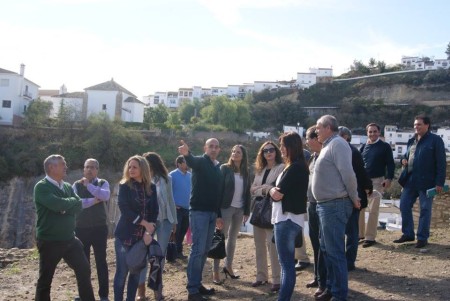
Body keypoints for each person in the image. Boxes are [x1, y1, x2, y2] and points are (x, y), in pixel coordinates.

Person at [34, 154, 95, 301]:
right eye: (63, 164)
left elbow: (78, 205)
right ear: (51, 167)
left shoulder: (67, 186)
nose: (66, 167)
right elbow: (58, 205)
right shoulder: (41, 187)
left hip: (69, 239)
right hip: (50, 241)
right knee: (45, 280)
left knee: (84, 270)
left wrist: (64, 207)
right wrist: (66, 205)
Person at [312, 115, 360, 301]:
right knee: (327, 249)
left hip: (335, 205)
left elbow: (348, 173)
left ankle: (339, 294)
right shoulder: (328, 145)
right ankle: (332, 288)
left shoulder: (338, 144)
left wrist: (354, 196)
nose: (316, 131)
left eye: (318, 127)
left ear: (328, 127)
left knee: (335, 251)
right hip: (326, 205)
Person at [178, 138, 224, 301]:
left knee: (204, 250)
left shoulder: (218, 168)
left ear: (219, 149)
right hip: (199, 212)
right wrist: (187, 153)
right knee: (197, 250)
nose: (213, 149)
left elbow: (218, 193)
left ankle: (197, 284)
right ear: (205, 148)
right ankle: (192, 290)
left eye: (216, 147)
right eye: (210, 146)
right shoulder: (200, 162)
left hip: (212, 214)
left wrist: (218, 214)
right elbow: (191, 161)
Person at [393, 115, 446, 248]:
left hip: (427, 182)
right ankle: (408, 234)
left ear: (427, 125)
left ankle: (422, 238)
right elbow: (406, 156)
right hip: (410, 180)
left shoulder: (435, 140)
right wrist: (402, 160)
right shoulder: (412, 140)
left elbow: (441, 163)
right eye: (415, 125)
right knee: (404, 205)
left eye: (419, 124)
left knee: (425, 209)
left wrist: (439, 182)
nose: (416, 127)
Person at [269, 132, 309, 301]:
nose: (281, 149)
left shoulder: (295, 167)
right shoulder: (295, 166)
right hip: (289, 219)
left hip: (286, 220)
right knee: (287, 265)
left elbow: (277, 194)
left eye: (283, 146)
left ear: (291, 147)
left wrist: (270, 190)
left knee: (286, 266)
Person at [113, 155, 158, 301]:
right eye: (129, 166)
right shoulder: (124, 186)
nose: (131, 169)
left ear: (142, 169)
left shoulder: (152, 187)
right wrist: (145, 224)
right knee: (122, 273)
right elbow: (125, 209)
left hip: (141, 239)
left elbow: (154, 212)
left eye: (134, 167)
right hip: (124, 236)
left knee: (136, 273)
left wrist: (149, 232)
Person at [138, 152, 178, 301]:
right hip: (148, 222)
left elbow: (171, 200)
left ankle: (157, 290)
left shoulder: (167, 179)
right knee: (143, 255)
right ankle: (141, 292)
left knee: (159, 257)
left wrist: (174, 222)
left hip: (165, 220)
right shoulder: (142, 180)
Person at [73, 158, 111, 301]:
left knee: (101, 262)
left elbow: (105, 196)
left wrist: (89, 186)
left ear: (97, 170)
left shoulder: (103, 183)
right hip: (81, 228)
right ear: (83, 169)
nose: (89, 169)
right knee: (83, 263)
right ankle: (84, 294)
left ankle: (104, 295)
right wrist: (94, 200)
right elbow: (77, 204)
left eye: (93, 167)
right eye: (87, 167)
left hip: (99, 228)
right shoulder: (76, 185)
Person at [213, 145, 251, 284]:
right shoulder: (224, 168)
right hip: (225, 208)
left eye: (238, 152)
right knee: (220, 239)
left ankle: (228, 266)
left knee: (233, 240)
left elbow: (247, 193)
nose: (235, 153)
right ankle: (215, 272)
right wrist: (217, 213)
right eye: (233, 151)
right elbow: (217, 190)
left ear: (243, 155)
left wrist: (247, 211)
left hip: (239, 209)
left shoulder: (246, 171)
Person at [250, 141, 284, 292]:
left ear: (276, 151)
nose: (268, 153)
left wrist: (263, 189)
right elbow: (252, 190)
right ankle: (261, 276)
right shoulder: (260, 170)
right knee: (259, 246)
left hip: (272, 210)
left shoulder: (281, 168)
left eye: (271, 150)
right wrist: (265, 189)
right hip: (258, 209)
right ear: (262, 154)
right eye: (265, 151)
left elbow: (276, 188)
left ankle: (277, 279)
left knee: (273, 246)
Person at [338, 126, 373, 271]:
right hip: (344, 196)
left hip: (352, 197)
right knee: (349, 230)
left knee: (351, 231)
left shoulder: (352, 152)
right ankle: (346, 261)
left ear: (345, 137)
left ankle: (349, 261)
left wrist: (367, 188)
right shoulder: (344, 151)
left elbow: (360, 173)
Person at [359, 123, 395, 248]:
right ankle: (360, 235)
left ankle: (370, 237)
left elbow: (390, 164)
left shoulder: (385, 147)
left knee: (373, 210)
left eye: (375, 131)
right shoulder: (363, 147)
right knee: (360, 208)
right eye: (370, 132)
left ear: (379, 133)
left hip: (377, 181)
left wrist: (389, 178)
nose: (372, 134)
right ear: (367, 133)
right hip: (363, 181)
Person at [304, 126, 327, 298]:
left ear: (316, 139)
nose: (306, 142)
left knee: (323, 245)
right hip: (312, 204)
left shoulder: (326, 156)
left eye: (308, 138)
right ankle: (318, 277)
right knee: (315, 243)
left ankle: (324, 282)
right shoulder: (313, 157)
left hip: (324, 205)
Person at [169, 155, 192, 259]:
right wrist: (173, 204)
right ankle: (171, 253)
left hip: (188, 208)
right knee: (175, 231)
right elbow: (168, 192)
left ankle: (179, 252)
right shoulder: (172, 175)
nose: (187, 164)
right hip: (176, 209)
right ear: (179, 163)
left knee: (183, 230)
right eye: (185, 162)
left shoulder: (190, 176)